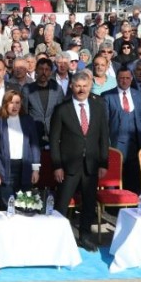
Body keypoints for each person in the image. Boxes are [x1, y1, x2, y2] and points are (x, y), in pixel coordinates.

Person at [49, 71, 108, 248]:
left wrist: (103, 163)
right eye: (78, 86)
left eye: (85, 86)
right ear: (72, 87)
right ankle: (57, 239)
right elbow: (54, 140)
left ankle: (85, 236)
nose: (81, 89)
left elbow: (103, 137)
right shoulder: (61, 109)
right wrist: (57, 165)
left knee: (89, 203)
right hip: (68, 166)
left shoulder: (98, 107)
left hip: (91, 165)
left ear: (90, 86)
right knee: (62, 203)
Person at [0, 89, 40, 211]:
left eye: (17, 102)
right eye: (11, 102)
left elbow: (34, 145)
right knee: (7, 206)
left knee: (24, 205)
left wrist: (35, 169)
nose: (15, 106)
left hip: (25, 167)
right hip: (4, 168)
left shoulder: (28, 120)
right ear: (5, 104)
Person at [103, 66, 141, 193]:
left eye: (127, 78)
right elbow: (104, 122)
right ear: (117, 79)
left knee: (134, 176)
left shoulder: (138, 94)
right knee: (116, 174)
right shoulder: (107, 96)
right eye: (122, 78)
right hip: (116, 142)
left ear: (131, 78)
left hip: (135, 142)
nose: (125, 81)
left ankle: (134, 199)